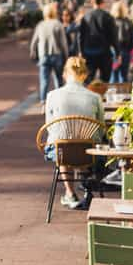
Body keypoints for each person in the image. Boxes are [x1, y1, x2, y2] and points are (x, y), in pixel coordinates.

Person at [44, 56, 104, 209]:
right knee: (88, 145)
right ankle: (86, 185)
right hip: (88, 153)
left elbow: (50, 127)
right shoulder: (95, 97)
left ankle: (70, 193)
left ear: (64, 74)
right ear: (84, 74)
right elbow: (101, 128)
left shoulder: (52, 95)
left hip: (62, 152)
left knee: (60, 143)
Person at [30, 2, 68, 103]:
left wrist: (33, 52)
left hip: (44, 56)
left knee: (44, 80)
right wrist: (66, 55)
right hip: (57, 55)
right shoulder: (58, 24)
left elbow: (34, 41)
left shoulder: (40, 25)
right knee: (58, 79)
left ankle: (43, 101)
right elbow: (63, 43)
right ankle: (59, 101)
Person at [78, 0, 118, 83]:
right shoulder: (108, 17)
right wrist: (117, 52)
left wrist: (80, 51)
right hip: (104, 53)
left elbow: (81, 36)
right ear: (102, 2)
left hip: (89, 53)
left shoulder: (86, 17)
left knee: (88, 80)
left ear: (92, 2)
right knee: (105, 80)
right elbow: (113, 36)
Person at [111, 1, 133, 83]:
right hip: (126, 51)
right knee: (124, 76)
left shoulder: (111, 22)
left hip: (113, 52)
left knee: (114, 76)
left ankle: (113, 94)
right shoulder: (129, 23)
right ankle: (124, 94)